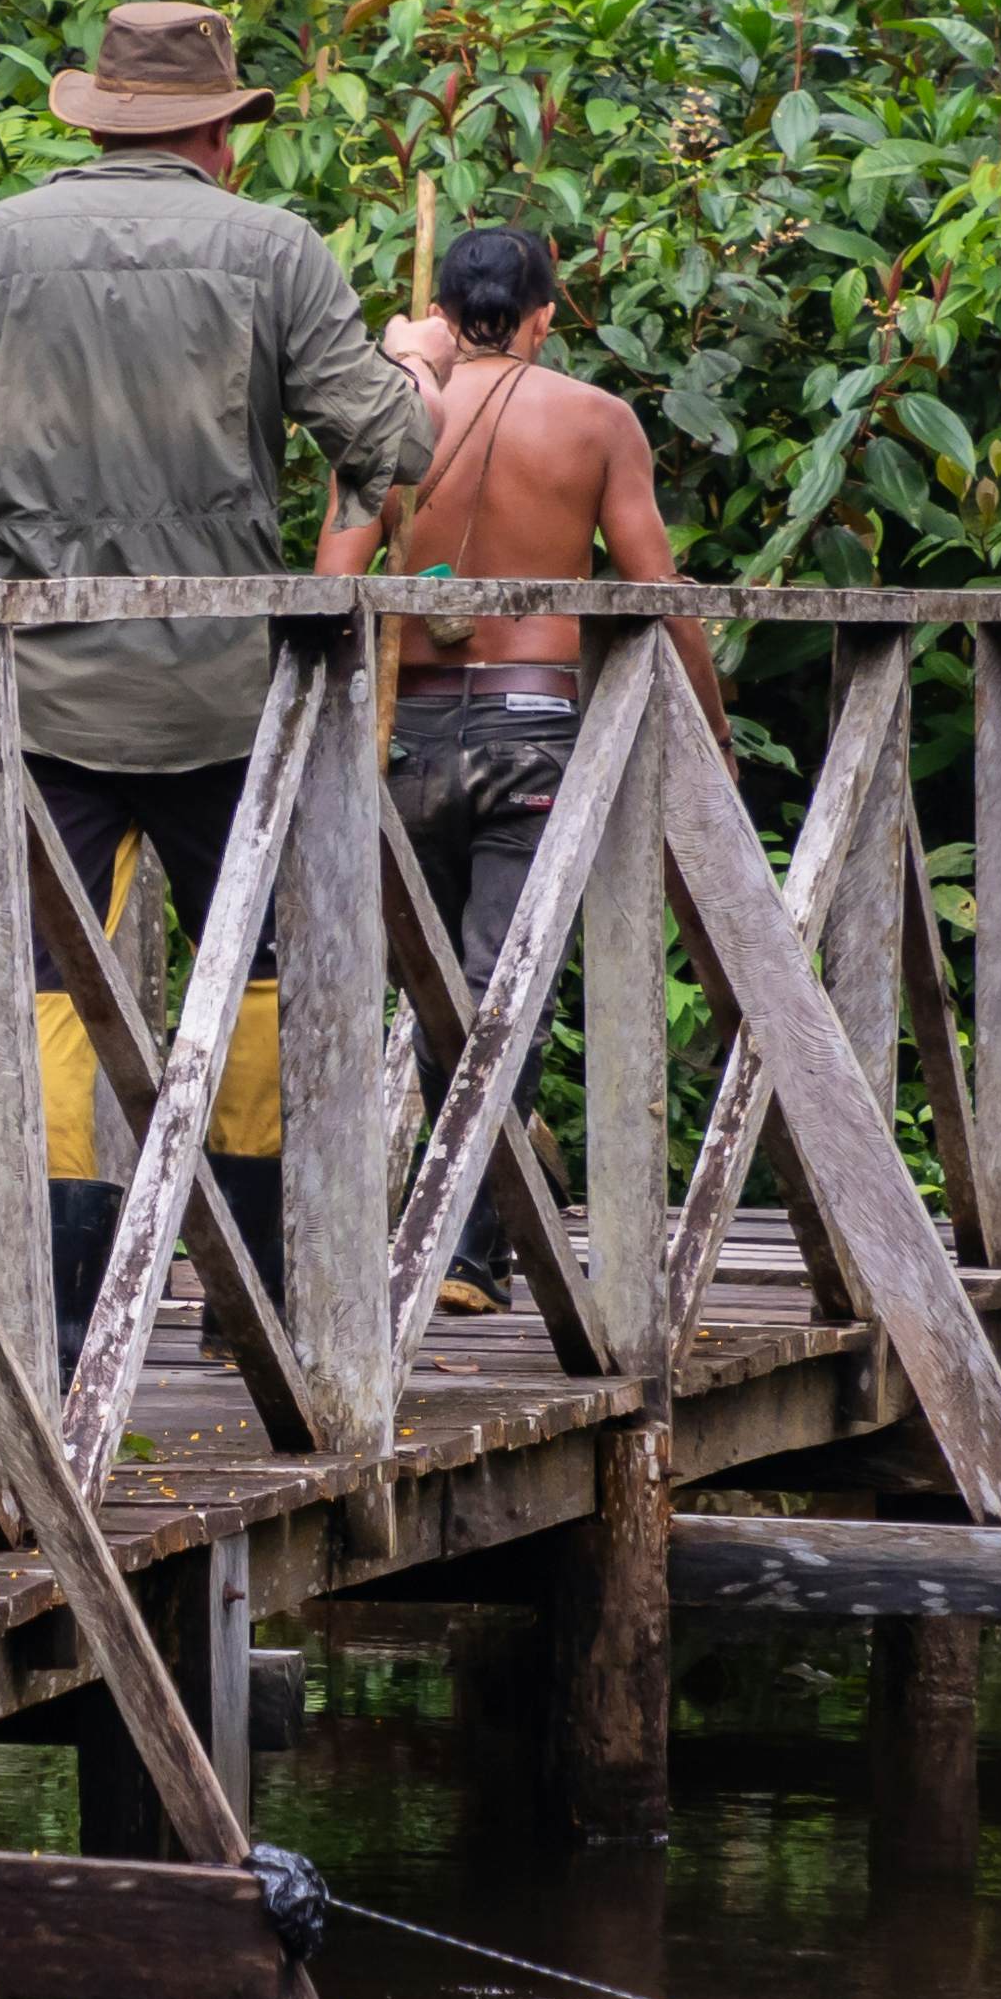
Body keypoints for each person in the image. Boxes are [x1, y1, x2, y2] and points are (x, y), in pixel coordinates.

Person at [0, 0, 434, 1361]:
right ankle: (258, 1305)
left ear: (105, 115)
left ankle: (56, 1314)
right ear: (217, 132)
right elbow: (394, 455)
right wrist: (412, 379)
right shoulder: (275, 251)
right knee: (261, 974)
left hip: (39, 701)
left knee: (51, 991)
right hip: (231, 698)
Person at [308, 221, 722, 1311]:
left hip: (409, 736)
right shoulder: (596, 422)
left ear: (440, 314)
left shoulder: (390, 419)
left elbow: (333, 578)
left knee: (446, 992)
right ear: (544, 314)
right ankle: (466, 1249)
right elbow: (659, 597)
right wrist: (710, 736)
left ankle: (457, 1219)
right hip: (536, 732)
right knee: (505, 990)